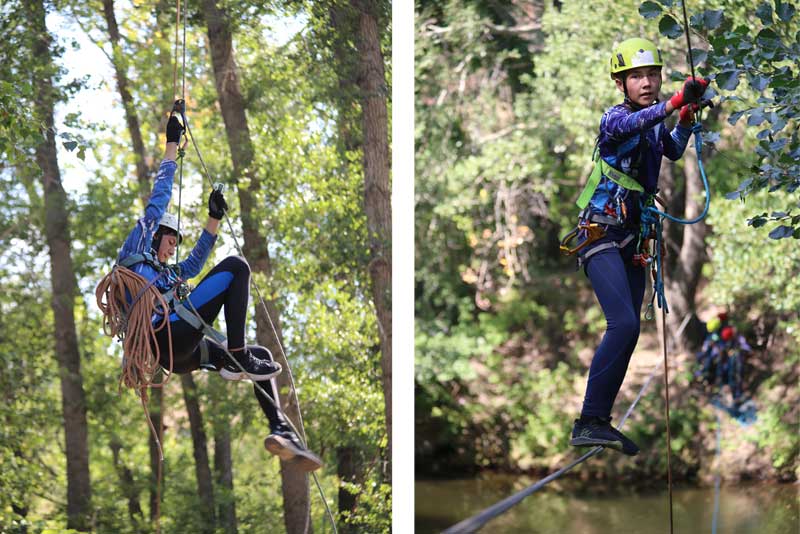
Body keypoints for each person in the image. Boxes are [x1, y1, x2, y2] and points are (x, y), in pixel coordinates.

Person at [116, 110, 322, 471]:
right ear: (155, 234)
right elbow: (159, 199)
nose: (171, 248)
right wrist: (170, 145)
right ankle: (238, 354)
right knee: (236, 267)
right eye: (168, 240)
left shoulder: (167, 273)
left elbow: (194, 266)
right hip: (164, 334)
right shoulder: (135, 254)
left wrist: (212, 219)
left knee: (258, 352)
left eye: (174, 244)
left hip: (180, 354)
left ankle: (281, 432)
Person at [568, 38, 709, 456]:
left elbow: (671, 147)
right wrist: (673, 104)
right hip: (599, 233)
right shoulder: (615, 119)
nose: (647, 83)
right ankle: (588, 421)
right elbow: (634, 126)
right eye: (636, 77)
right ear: (621, 84)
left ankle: (597, 420)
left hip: (630, 240)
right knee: (624, 324)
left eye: (652, 75)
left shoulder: (652, 125)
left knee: (629, 332)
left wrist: (683, 117)